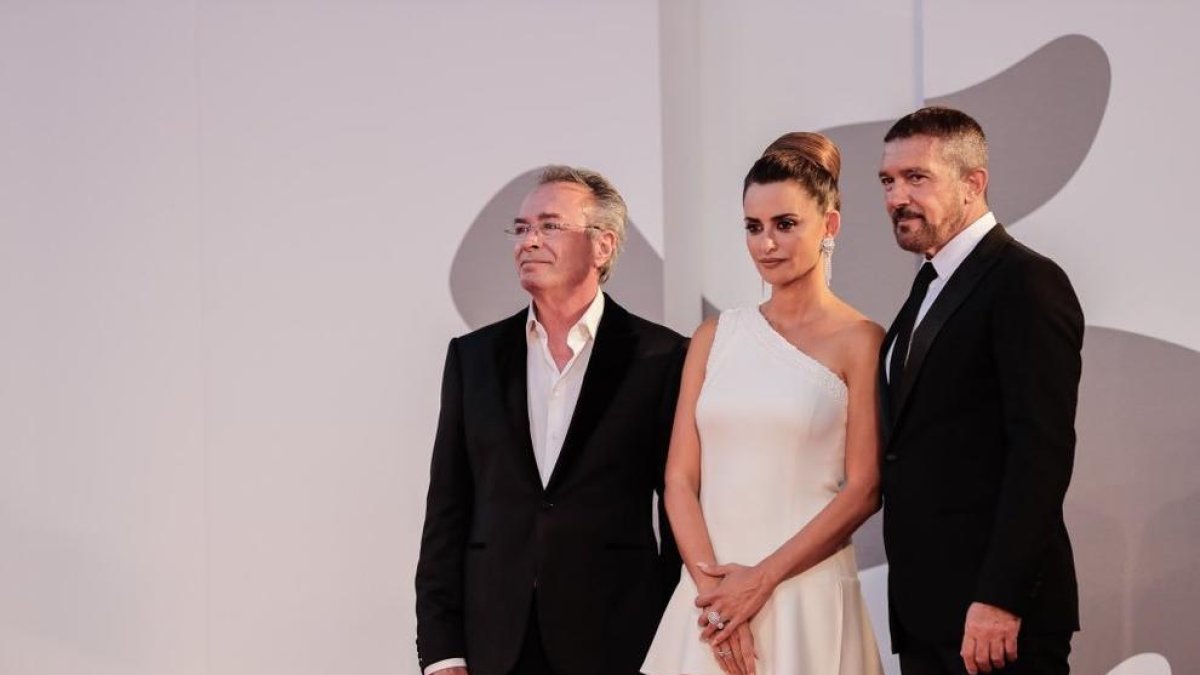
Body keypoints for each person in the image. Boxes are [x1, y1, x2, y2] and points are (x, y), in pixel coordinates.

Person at [414, 166, 686, 675]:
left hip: (618, 642)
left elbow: (679, 513)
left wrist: (669, 643)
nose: (528, 241)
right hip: (492, 643)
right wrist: (441, 648)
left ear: (602, 246)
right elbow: (447, 511)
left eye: (549, 225)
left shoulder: (661, 356)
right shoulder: (472, 358)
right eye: (520, 228)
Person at [641, 132, 885, 675]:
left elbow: (864, 489)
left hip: (805, 590)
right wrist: (714, 598)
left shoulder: (861, 340)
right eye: (753, 227)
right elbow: (679, 480)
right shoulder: (714, 336)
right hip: (710, 600)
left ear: (831, 225)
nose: (766, 243)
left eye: (785, 224)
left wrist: (761, 580)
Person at [876, 106, 1083, 675]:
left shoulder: (1025, 281)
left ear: (973, 183)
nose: (897, 197)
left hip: (994, 619)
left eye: (917, 178)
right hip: (927, 613)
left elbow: (1040, 453)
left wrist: (1000, 598)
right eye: (888, 181)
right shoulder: (929, 283)